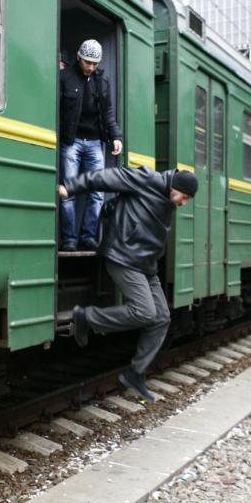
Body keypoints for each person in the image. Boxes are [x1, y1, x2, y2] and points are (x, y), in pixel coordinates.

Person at [59, 166, 198, 402]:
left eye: (186, 200)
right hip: (123, 256)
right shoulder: (147, 180)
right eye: (183, 197)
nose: (183, 203)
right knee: (144, 312)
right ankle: (87, 317)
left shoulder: (168, 198)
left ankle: (135, 373)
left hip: (146, 265)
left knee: (162, 318)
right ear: (175, 187)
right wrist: (71, 186)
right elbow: (106, 177)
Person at [59, 39, 123, 252]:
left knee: (96, 192)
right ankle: (68, 238)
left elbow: (108, 113)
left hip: (95, 142)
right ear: (79, 57)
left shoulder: (101, 82)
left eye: (95, 64)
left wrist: (116, 136)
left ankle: (88, 237)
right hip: (71, 141)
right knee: (68, 191)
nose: (91, 67)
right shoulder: (65, 78)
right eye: (87, 62)